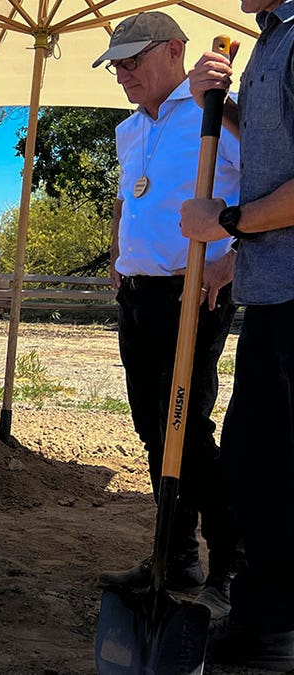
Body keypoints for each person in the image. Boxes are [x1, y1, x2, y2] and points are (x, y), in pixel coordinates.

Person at [89, 11, 242, 619]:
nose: (123, 74)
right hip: (140, 295)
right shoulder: (130, 131)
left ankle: (229, 562)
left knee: (188, 426)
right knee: (153, 427)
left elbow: (261, 194)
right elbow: (137, 196)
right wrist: (123, 252)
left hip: (194, 292)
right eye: (117, 66)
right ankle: (173, 553)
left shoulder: (215, 113)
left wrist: (228, 261)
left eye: (133, 60)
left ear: (176, 51)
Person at [181, 0, 294, 668]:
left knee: (278, 469)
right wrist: (217, 103)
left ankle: (275, 633)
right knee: (253, 463)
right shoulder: (270, 41)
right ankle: (263, 617)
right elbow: (272, 146)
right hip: (268, 286)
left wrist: (227, 218)